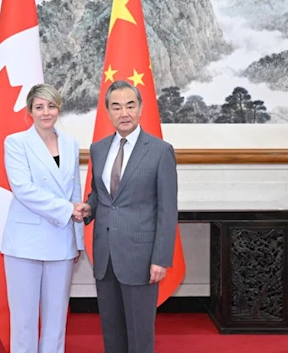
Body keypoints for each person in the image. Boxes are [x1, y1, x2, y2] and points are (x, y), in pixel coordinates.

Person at [78, 80, 178, 353]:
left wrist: (160, 257)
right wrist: (89, 207)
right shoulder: (98, 149)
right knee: (112, 333)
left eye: (130, 105)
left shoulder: (160, 151)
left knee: (139, 335)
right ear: (108, 112)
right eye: (116, 107)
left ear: (140, 108)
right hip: (105, 256)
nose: (124, 113)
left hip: (141, 258)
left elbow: (167, 209)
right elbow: (101, 196)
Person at [1, 83, 85, 353]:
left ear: (59, 108)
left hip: (62, 241)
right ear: (30, 112)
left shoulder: (71, 143)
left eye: (51, 106)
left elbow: (75, 190)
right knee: (24, 320)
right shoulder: (16, 142)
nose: (46, 112)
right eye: (39, 107)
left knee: (56, 320)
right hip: (25, 243)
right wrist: (66, 210)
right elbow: (23, 189)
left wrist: (78, 240)